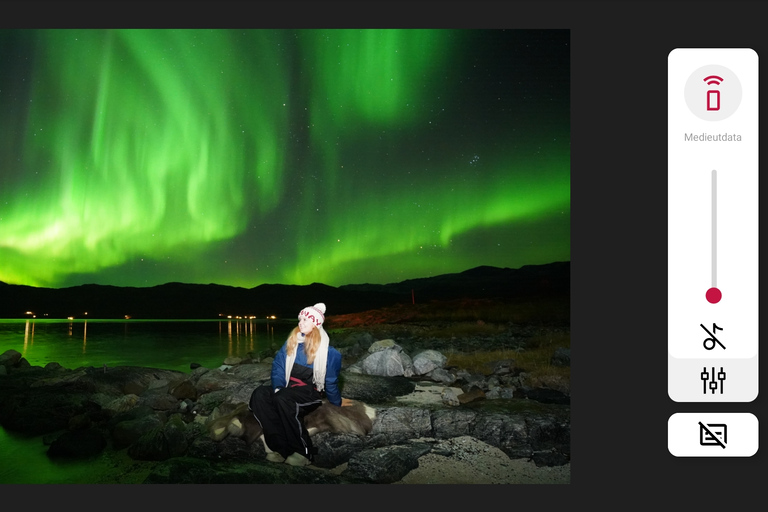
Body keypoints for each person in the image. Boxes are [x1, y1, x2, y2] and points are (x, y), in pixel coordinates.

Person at [248, 302, 342, 466]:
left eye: (306, 320)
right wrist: (277, 386)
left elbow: (331, 381)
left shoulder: (330, 353)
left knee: (284, 398)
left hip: (309, 392)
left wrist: (336, 403)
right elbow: (278, 366)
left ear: (316, 324)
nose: (300, 323)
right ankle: (279, 447)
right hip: (287, 389)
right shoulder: (291, 343)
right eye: (300, 319)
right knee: (260, 394)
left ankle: (303, 452)